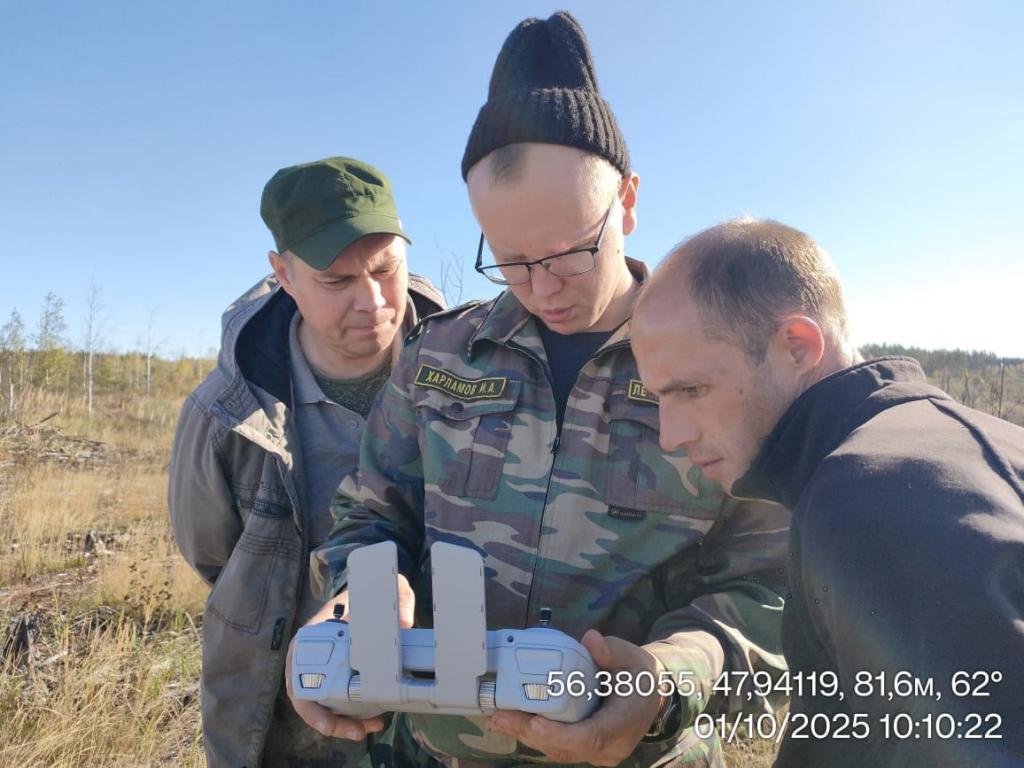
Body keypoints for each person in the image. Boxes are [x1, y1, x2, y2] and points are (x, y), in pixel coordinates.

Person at [292, 13, 790, 768]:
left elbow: (771, 584)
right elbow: (371, 514)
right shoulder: (438, 355)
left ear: (627, 202)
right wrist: (357, 596)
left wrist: (667, 678)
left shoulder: (722, 361)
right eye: (512, 260)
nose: (543, 288)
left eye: (568, 253)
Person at [631, 218, 1024, 767]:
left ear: (796, 346)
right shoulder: (952, 447)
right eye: (659, 398)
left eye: (692, 390)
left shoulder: (876, 498)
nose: (669, 436)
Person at [168, 156, 444, 768]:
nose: (372, 301)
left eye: (385, 269)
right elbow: (214, 557)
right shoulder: (227, 415)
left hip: (442, 721)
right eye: (336, 281)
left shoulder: (471, 379)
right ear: (284, 275)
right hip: (292, 724)